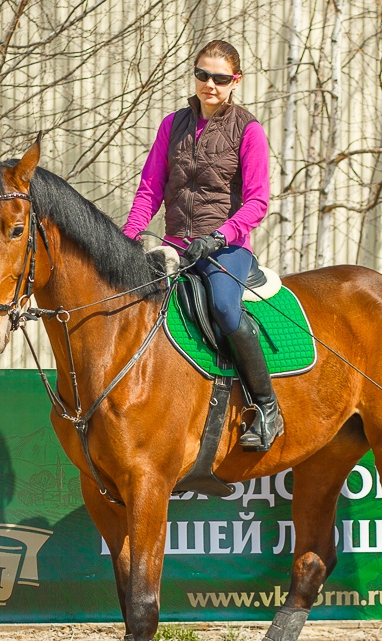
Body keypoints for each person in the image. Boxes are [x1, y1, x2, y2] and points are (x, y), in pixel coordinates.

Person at [122, 40, 283, 451]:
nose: (210, 84)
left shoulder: (249, 130)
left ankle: (266, 408)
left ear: (236, 81)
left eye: (220, 78)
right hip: (174, 243)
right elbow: (149, 189)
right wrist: (127, 237)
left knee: (225, 307)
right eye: (202, 75)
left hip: (225, 247)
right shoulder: (171, 125)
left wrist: (218, 237)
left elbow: (257, 202)